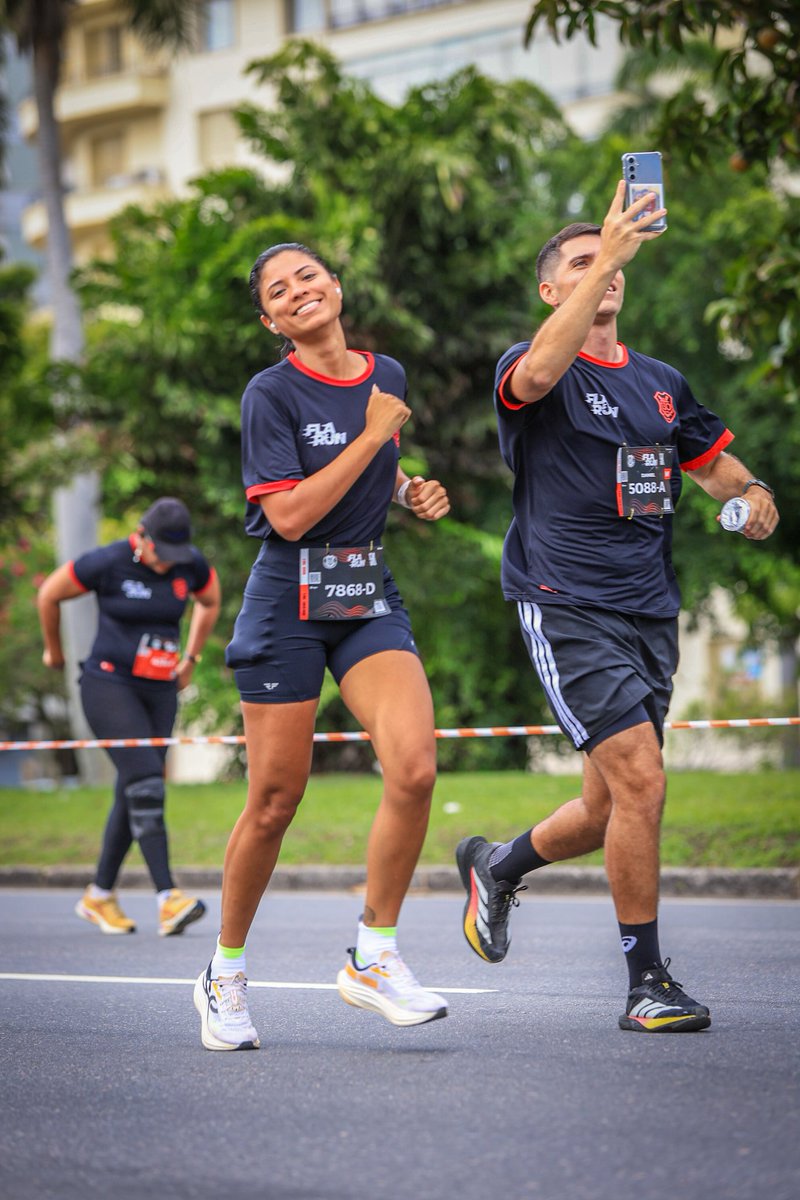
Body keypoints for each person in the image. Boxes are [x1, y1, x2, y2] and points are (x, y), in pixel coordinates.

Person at [456, 180, 779, 1032]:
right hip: (564, 602)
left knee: (609, 809)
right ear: (551, 291)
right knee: (644, 780)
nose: (604, 272)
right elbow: (539, 370)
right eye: (582, 263)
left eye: (610, 261)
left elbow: (720, 470)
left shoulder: (661, 383)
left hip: (648, 608)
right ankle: (646, 982)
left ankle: (497, 865)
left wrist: (753, 498)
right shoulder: (530, 370)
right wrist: (612, 253)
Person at [193, 242, 451, 1051]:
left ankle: (374, 956)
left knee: (414, 766)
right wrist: (375, 438)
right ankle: (224, 973)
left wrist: (410, 488)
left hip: (364, 589)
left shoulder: (389, 377)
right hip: (288, 601)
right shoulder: (269, 394)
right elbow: (291, 517)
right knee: (275, 801)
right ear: (271, 319)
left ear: (336, 287)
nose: (298, 290)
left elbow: (382, 465)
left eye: (308, 275)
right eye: (279, 290)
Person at [38, 496, 221, 937]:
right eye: (161, 553)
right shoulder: (109, 561)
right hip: (108, 686)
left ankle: (99, 897)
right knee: (147, 784)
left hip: (159, 690)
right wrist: (55, 651)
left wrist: (191, 658)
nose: (166, 565)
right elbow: (50, 594)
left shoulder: (188, 564)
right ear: (142, 537)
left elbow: (210, 601)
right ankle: (167, 897)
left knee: (135, 787)